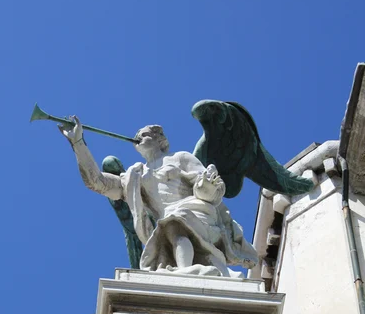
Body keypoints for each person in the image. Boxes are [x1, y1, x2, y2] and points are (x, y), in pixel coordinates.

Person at [59, 117, 257, 277]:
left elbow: (208, 186)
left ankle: (184, 272)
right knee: (172, 223)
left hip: (198, 211)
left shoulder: (180, 157)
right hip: (169, 222)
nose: (138, 137)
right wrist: (78, 143)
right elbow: (97, 182)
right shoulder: (134, 176)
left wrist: (208, 185)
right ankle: (185, 271)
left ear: (159, 140)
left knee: (174, 220)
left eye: (144, 134)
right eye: (137, 136)